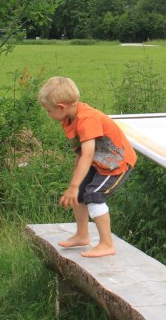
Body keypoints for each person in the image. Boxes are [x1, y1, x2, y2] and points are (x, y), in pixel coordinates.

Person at [38, 76, 137, 258]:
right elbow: (81, 153)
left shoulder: (86, 119)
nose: (48, 114)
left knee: (93, 194)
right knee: (81, 191)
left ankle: (107, 244)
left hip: (116, 163)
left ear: (61, 107)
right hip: (99, 160)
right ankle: (82, 235)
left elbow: (89, 153)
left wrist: (74, 185)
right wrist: (76, 183)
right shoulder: (69, 117)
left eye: (48, 111)